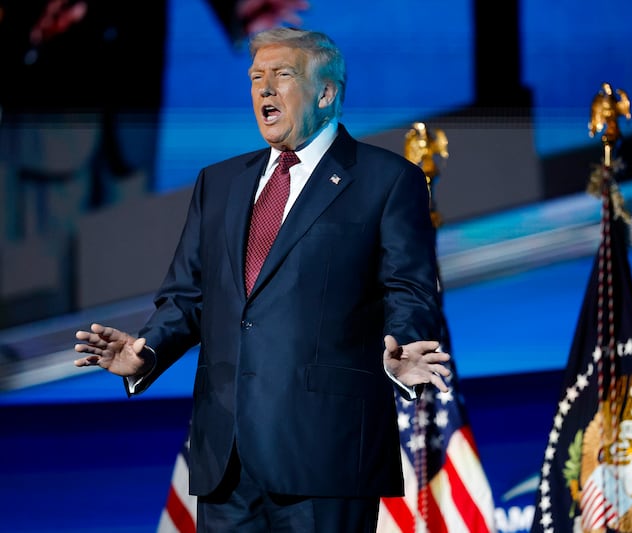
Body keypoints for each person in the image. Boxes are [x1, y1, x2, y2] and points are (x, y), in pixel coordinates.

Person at [72, 27, 451, 533]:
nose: (265, 90)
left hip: (325, 454)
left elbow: (410, 288)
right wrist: (147, 349)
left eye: (282, 75)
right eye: (256, 78)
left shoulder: (386, 180)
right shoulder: (220, 182)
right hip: (225, 458)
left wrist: (402, 347)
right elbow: (189, 295)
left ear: (326, 92)